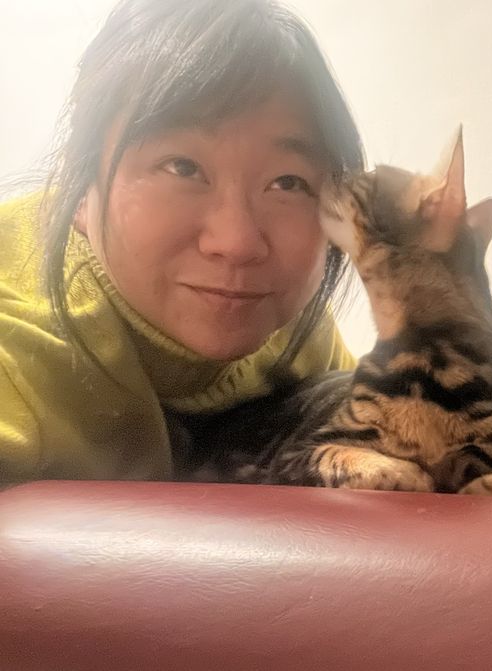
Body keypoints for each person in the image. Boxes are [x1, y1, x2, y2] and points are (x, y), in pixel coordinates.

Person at [0, 0, 363, 481]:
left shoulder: (295, 329)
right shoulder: (22, 352)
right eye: (182, 167)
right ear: (82, 188)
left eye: (288, 182)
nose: (237, 243)